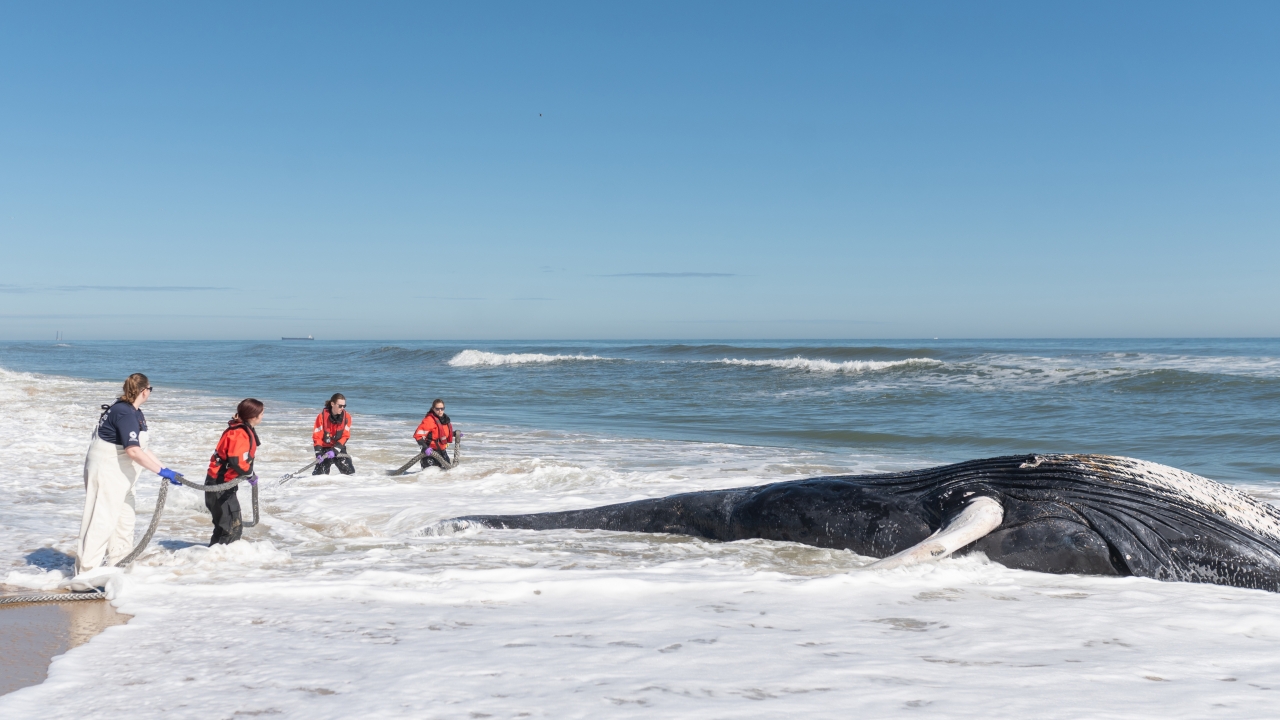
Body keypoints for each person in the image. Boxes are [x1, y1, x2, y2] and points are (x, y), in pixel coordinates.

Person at [71, 373, 183, 591]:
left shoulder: (135, 412)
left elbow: (142, 448)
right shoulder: (124, 413)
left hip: (123, 477)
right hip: (107, 471)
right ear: (144, 391)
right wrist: (160, 471)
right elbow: (133, 451)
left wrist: (165, 469)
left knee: (125, 521)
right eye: (151, 389)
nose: (150, 393)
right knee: (101, 520)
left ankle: (118, 568)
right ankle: (84, 577)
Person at [204, 399, 264, 545]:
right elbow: (236, 461)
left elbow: (241, 459)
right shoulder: (239, 433)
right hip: (220, 485)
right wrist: (249, 474)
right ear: (253, 416)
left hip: (221, 484)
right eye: (261, 414)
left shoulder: (241, 429)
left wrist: (249, 472)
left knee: (223, 527)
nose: (262, 416)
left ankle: (211, 559)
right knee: (231, 528)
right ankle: (222, 563)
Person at [312, 393, 354, 475]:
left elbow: (345, 436)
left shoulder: (347, 417)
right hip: (324, 449)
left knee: (350, 473)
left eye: (344, 406)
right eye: (340, 406)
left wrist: (335, 450)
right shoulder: (321, 417)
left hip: (338, 448)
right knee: (318, 477)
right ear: (332, 404)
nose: (342, 408)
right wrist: (318, 453)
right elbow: (317, 437)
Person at [413, 398, 460, 469]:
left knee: (447, 474)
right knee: (430, 474)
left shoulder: (445, 420)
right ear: (433, 409)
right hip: (430, 453)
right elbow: (417, 436)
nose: (440, 411)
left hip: (442, 453)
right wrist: (425, 448)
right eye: (437, 409)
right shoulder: (429, 421)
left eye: (442, 408)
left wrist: (455, 434)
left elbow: (442, 433)